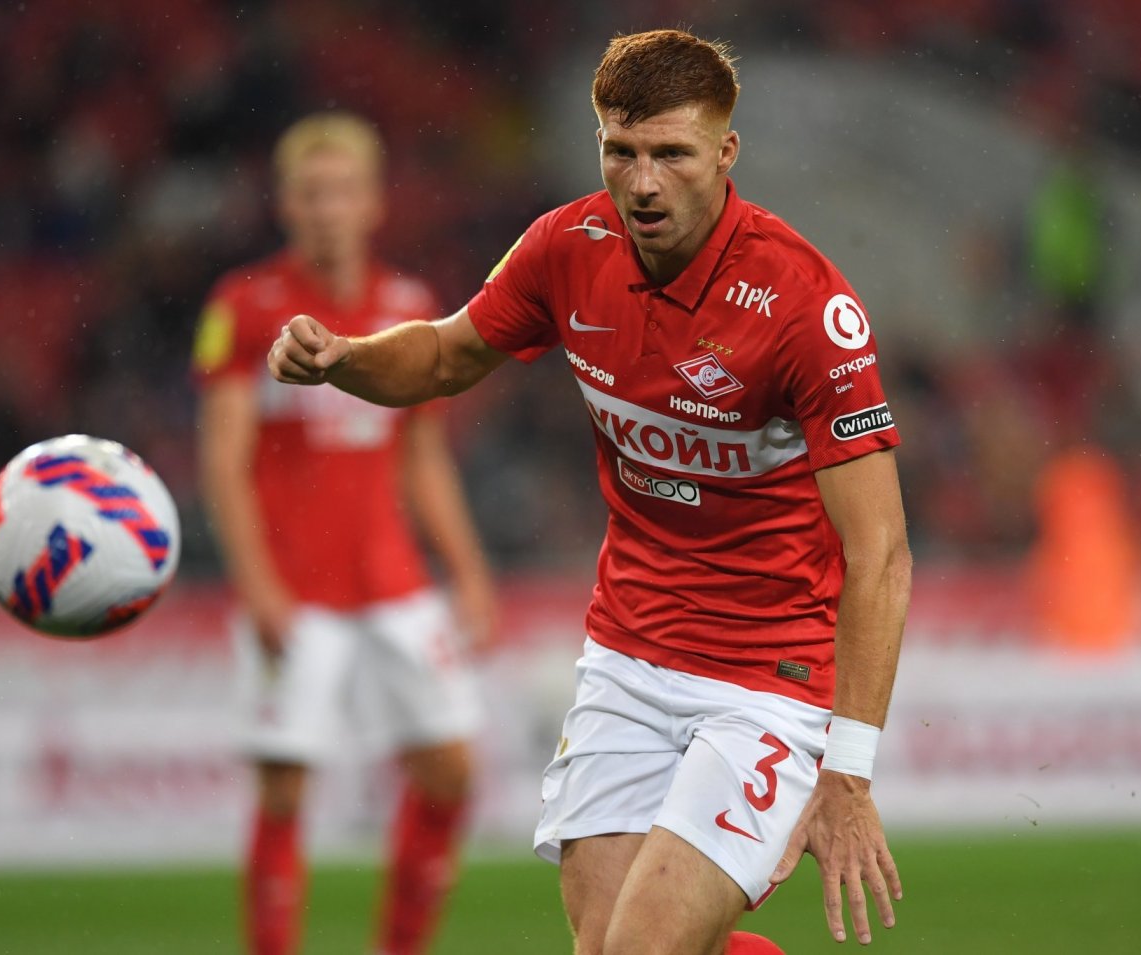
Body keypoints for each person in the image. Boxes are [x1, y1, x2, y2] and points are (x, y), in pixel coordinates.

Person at [268, 30, 910, 955]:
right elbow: (446, 354)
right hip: (627, 655)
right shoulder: (567, 246)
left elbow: (880, 552)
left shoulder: (805, 305)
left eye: (672, 154)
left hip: (768, 679)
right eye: (621, 151)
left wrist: (847, 771)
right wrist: (344, 358)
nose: (643, 183)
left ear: (726, 152)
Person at [193, 112, 497, 955]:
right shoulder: (244, 306)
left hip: (391, 580)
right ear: (285, 204)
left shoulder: (407, 310)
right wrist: (256, 583)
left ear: (374, 203)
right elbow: (223, 460)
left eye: (343, 192)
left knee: (451, 773)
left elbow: (423, 457)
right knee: (285, 790)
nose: (328, 209)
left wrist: (468, 569)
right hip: (294, 587)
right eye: (312, 193)